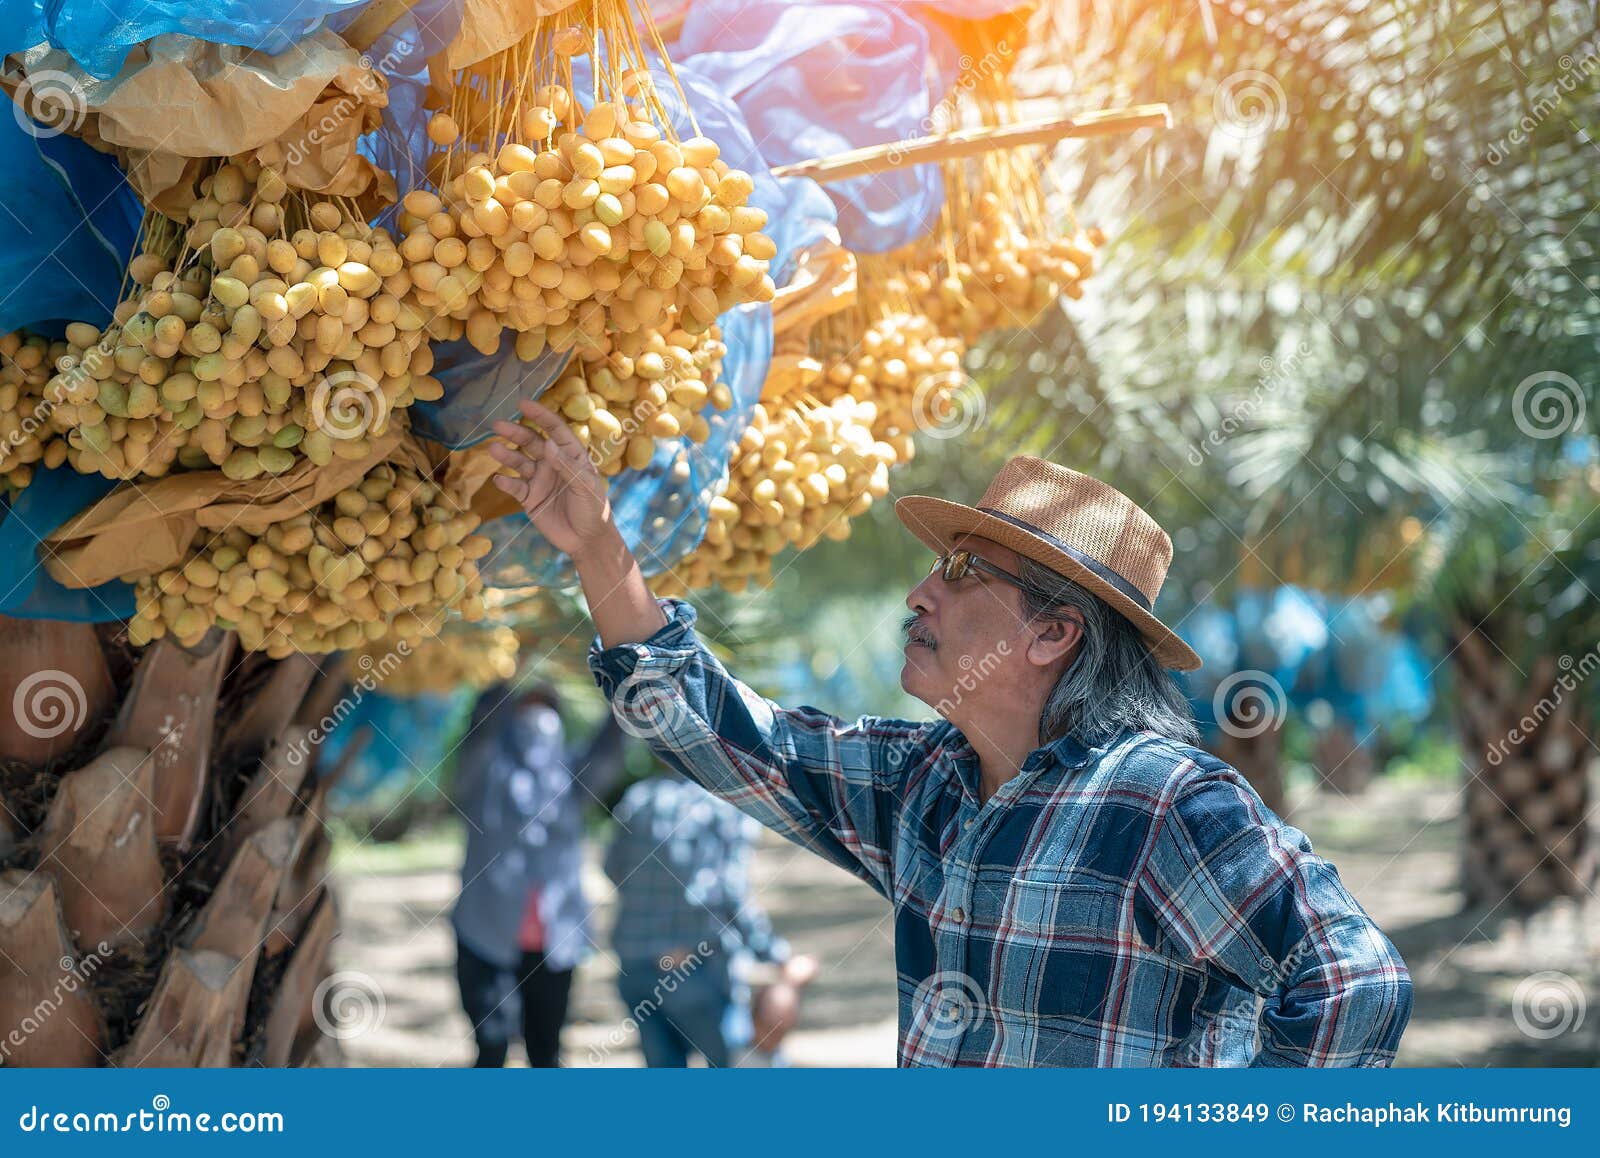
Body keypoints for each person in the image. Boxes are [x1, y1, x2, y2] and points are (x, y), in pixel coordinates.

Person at [487, 401, 1413, 1068]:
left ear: (1054, 634)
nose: (919, 592)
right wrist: (599, 549)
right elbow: (721, 734)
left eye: (963, 573)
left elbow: (1353, 986)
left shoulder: (1163, 802)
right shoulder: (923, 782)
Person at [451, 681, 622, 1067]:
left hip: (554, 944)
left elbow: (610, 749)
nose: (537, 725)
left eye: (546, 714)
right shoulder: (482, 779)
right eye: (525, 713)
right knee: (491, 1046)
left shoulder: (574, 783)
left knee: (546, 1053)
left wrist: (626, 689)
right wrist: (502, 676)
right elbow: (479, 733)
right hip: (485, 935)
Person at [604, 769, 817, 1067]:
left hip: (635, 965)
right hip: (694, 970)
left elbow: (613, 869)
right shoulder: (724, 804)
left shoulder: (637, 798)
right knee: (739, 1065)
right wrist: (777, 956)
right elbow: (731, 894)